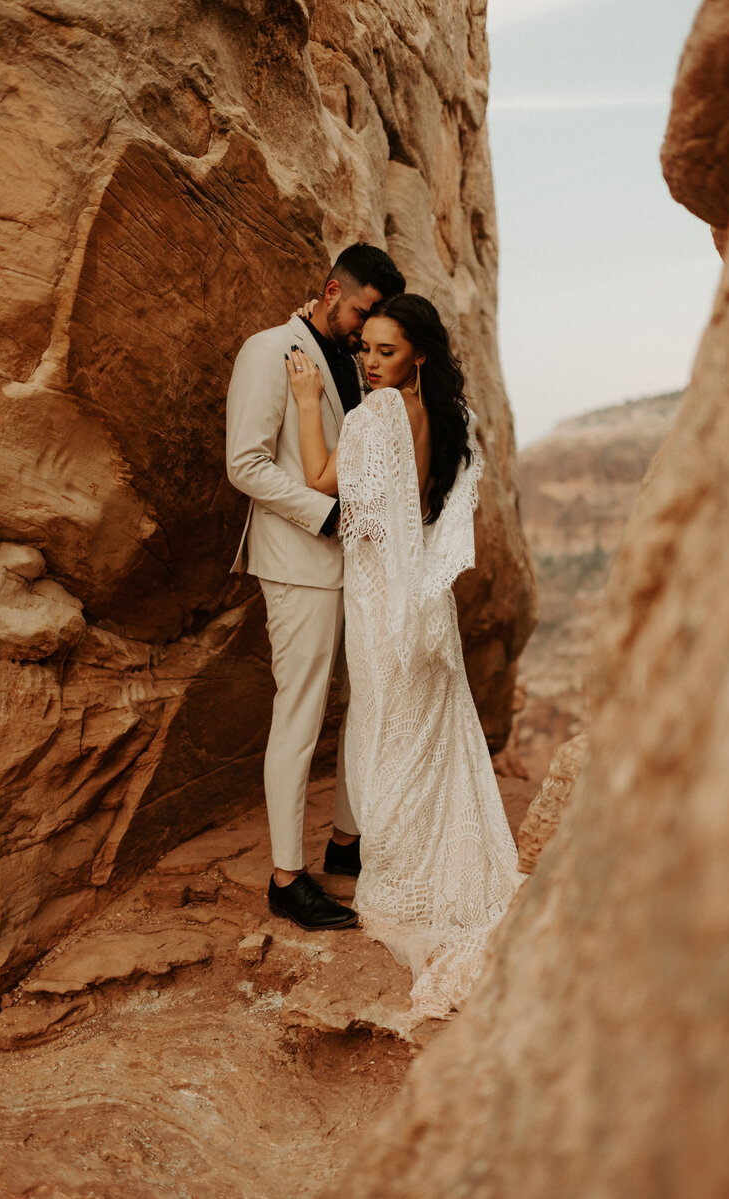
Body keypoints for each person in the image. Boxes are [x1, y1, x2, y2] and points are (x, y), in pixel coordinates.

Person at [286, 293, 523, 1022]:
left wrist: (306, 395)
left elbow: (322, 477)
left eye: (386, 351)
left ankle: (404, 875)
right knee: (432, 737)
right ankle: (445, 863)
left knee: (388, 731)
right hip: (426, 599)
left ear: (418, 352)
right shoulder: (453, 420)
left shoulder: (377, 416)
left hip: (383, 598)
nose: (371, 362)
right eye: (366, 349)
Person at [226, 243, 406, 930]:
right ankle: (285, 877)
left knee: (365, 703)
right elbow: (244, 464)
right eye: (362, 311)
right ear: (333, 290)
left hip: (359, 567)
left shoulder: (359, 363)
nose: (366, 330)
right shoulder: (267, 349)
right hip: (298, 562)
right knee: (300, 712)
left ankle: (345, 845)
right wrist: (326, 514)